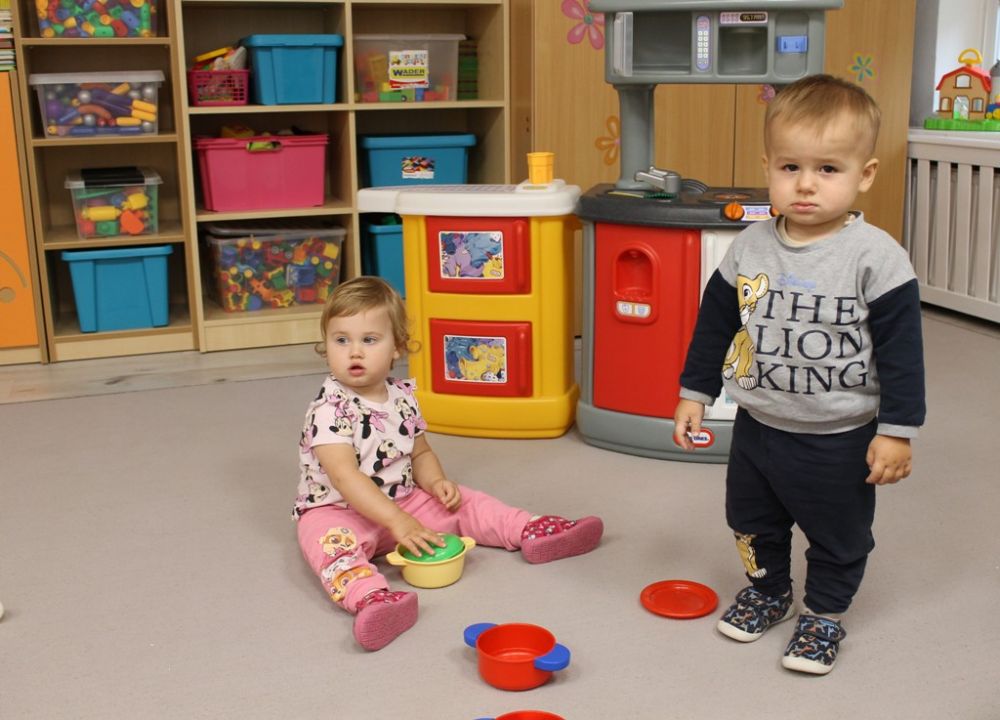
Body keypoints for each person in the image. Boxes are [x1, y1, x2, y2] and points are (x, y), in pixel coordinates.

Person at [672, 74, 925, 675]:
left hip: (838, 437)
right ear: (768, 167)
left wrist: (897, 429)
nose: (806, 184)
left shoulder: (876, 257)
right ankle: (770, 591)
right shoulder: (750, 246)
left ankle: (825, 614)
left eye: (828, 169)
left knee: (839, 533)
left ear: (865, 174)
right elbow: (715, 324)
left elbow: (902, 352)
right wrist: (695, 391)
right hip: (758, 425)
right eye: (790, 167)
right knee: (750, 521)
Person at [295, 276, 604, 651]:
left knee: (464, 502)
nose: (354, 352)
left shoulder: (401, 397)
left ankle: (529, 529)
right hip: (340, 511)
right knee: (331, 547)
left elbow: (420, 453)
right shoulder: (329, 409)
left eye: (369, 340)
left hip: (404, 502)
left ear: (397, 347)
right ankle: (372, 599)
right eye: (341, 340)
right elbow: (345, 477)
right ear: (325, 344)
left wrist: (436, 482)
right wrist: (396, 521)